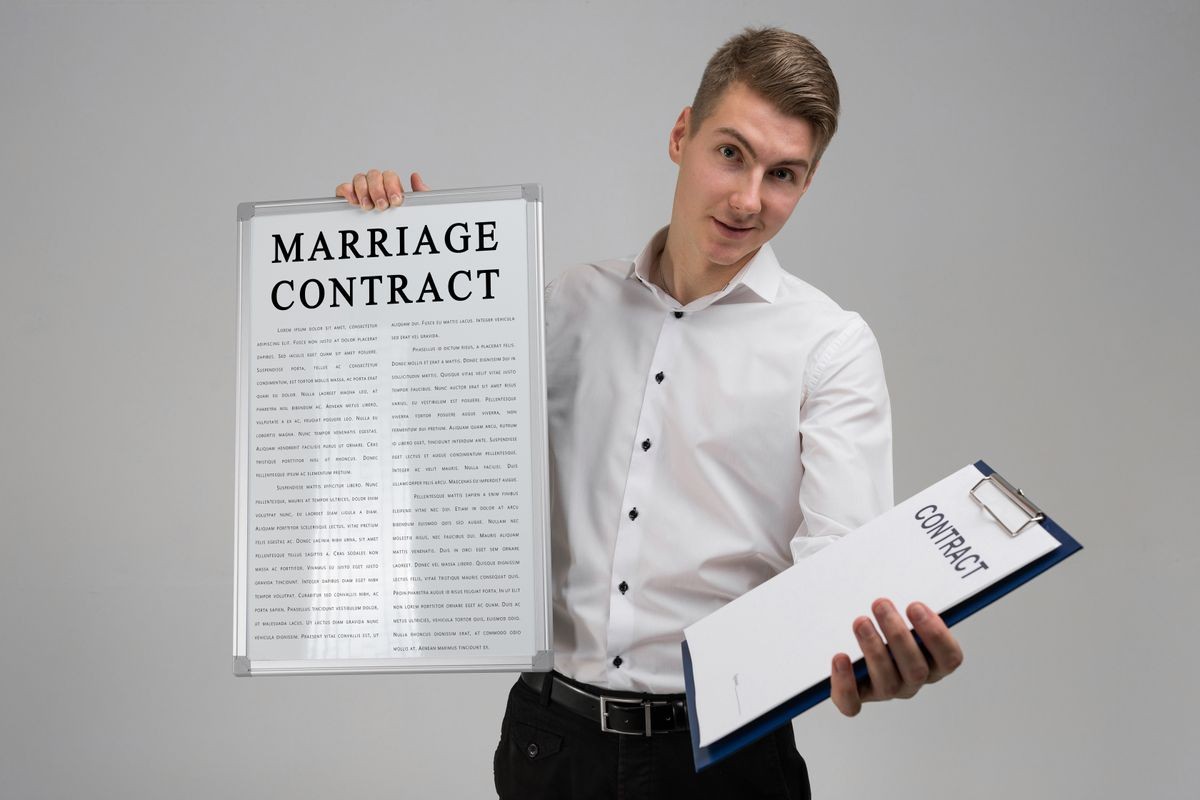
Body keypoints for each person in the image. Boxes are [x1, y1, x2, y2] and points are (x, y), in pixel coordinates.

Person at [336, 27, 963, 800]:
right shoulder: (566, 305)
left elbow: (842, 580)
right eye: (730, 152)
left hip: (725, 760)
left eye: (784, 174)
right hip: (550, 747)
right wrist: (384, 255)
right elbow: (424, 445)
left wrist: (873, 657)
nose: (747, 198)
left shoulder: (828, 348)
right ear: (681, 135)